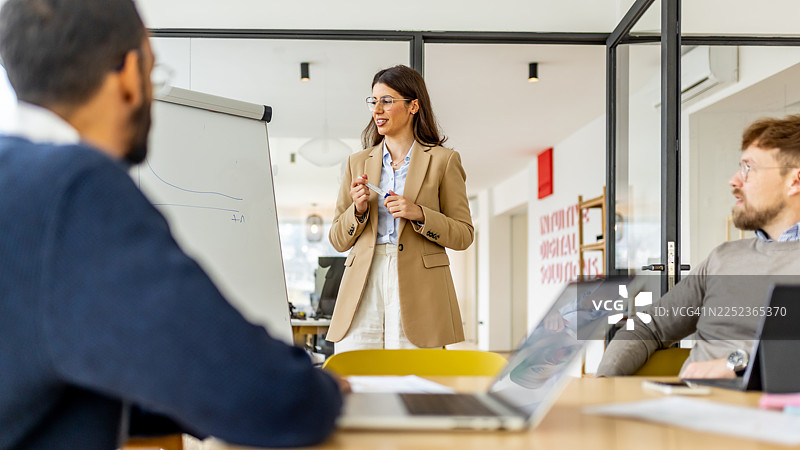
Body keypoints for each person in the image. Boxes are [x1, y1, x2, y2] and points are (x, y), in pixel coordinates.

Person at [0, 0, 342, 448]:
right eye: (152, 73)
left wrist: (191, 397)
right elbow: (274, 399)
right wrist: (325, 387)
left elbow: (42, 383)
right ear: (127, 76)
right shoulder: (75, 191)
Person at [597, 114, 800, 378]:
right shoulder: (722, 258)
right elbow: (648, 326)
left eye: (749, 168)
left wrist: (736, 364)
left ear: (794, 180)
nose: (734, 181)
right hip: (683, 407)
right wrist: (604, 383)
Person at [327, 65, 473, 353]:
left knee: (413, 379)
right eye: (374, 101)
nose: (377, 109)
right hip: (363, 280)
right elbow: (337, 239)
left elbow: (463, 235)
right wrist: (357, 211)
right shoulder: (357, 162)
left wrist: (419, 213)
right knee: (356, 370)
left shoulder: (444, 160)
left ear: (413, 106)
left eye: (387, 100)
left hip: (421, 283)